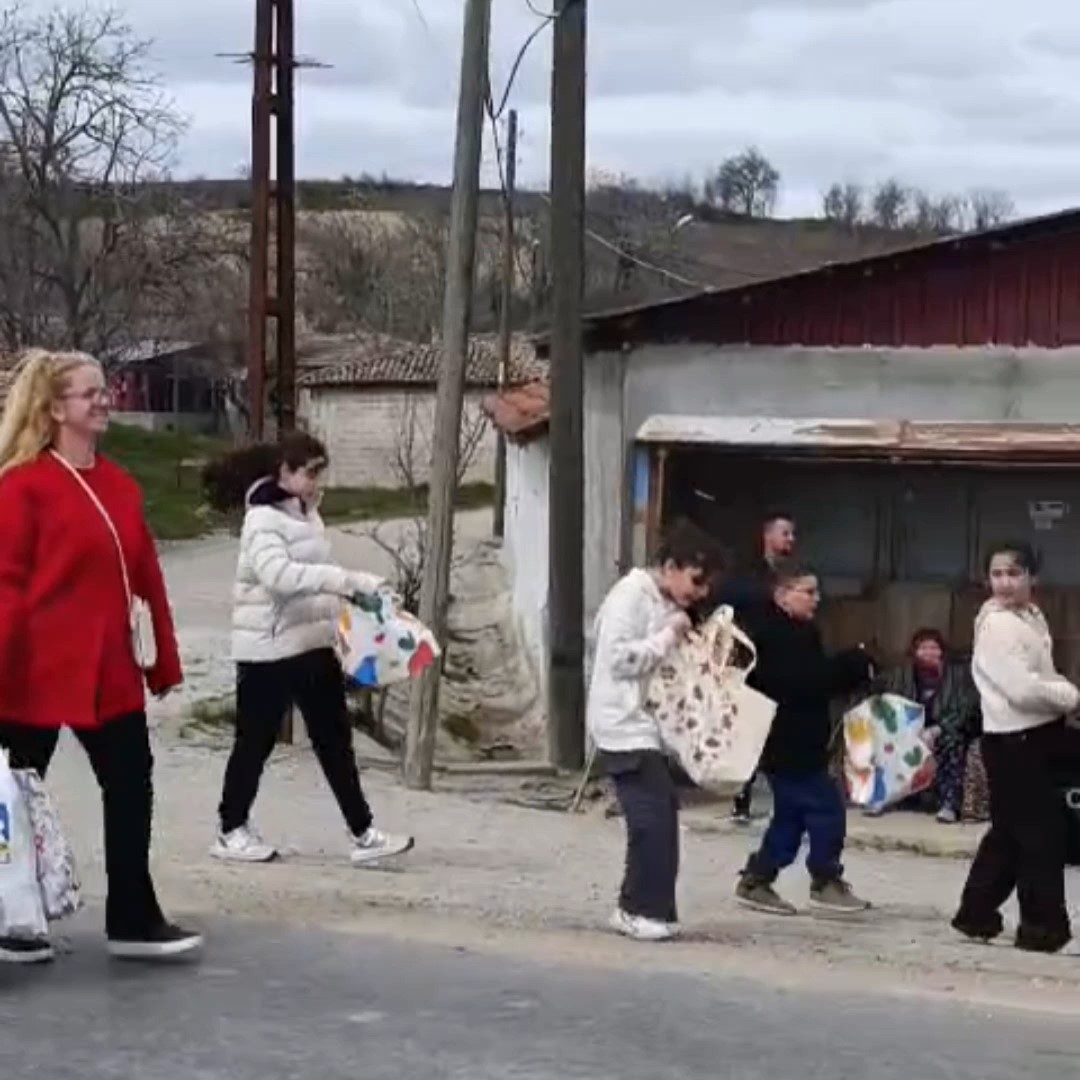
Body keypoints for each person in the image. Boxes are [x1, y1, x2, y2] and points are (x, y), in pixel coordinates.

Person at [0, 350, 201, 964]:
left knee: (130, 784)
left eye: (103, 389)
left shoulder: (120, 485)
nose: (104, 399)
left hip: (110, 671)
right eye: (89, 393)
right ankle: (14, 919)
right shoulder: (21, 487)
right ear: (55, 408)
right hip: (32, 673)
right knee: (12, 800)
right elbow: (5, 584)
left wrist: (162, 661)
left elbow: (147, 580)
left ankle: (133, 918)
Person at [203, 433, 413, 867]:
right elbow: (279, 577)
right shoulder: (262, 520)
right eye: (310, 472)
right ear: (284, 472)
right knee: (254, 743)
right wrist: (345, 582)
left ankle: (363, 832)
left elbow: (314, 582)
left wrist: (351, 601)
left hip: (312, 643)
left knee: (335, 740)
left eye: (321, 471)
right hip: (269, 649)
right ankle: (230, 829)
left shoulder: (306, 516)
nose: (318, 481)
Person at [588, 520, 726, 942]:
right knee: (650, 820)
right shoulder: (630, 596)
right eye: (696, 580)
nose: (699, 592)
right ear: (670, 565)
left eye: (706, 586)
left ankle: (650, 909)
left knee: (662, 816)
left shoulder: (667, 603)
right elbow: (618, 660)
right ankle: (637, 909)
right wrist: (668, 636)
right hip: (622, 724)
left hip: (648, 727)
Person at [952, 542, 1079, 954]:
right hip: (1015, 738)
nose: (1004, 583)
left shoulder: (1029, 616)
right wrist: (1069, 696)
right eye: (997, 574)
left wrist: (1057, 691)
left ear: (1032, 578)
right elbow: (1022, 690)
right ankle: (1041, 928)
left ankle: (976, 913)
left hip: (1037, 734)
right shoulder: (998, 625)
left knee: (1010, 833)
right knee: (1040, 835)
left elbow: (1041, 674)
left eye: (1014, 573)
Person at [735, 560, 874, 915]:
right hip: (787, 743)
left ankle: (757, 879)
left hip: (800, 741)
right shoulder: (775, 636)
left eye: (817, 592)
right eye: (808, 592)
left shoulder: (800, 631)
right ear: (783, 595)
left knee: (790, 818)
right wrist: (851, 665)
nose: (816, 599)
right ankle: (825, 879)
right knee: (827, 810)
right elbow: (804, 683)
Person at [721, 511, 796, 824]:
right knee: (746, 730)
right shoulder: (748, 569)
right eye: (785, 533)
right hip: (749, 659)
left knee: (779, 732)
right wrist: (771, 594)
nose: (790, 540)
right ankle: (741, 800)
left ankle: (784, 804)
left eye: (792, 535)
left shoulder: (793, 572)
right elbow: (729, 596)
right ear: (768, 536)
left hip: (781, 658)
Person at [882, 629, 981, 823]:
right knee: (886, 741)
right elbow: (892, 704)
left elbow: (966, 708)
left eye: (934, 648)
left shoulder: (958, 675)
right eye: (923, 648)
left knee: (951, 743)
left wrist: (937, 730)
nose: (929, 652)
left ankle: (949, 804)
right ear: (914, 651)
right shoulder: (903, 676)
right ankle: (885, 796)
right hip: (913, 728)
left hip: (949, 728)